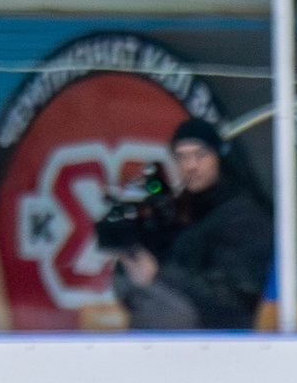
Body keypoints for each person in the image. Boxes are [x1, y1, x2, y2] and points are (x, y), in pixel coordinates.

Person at [112, 117, 271, 331]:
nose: (191, 165)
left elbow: (232, 302)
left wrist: (158, 275)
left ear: (219, 157)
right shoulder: (181, 212)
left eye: (201, 154)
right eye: (181, 157)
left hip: (222, 343)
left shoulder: (243, 215)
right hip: (174, 337)